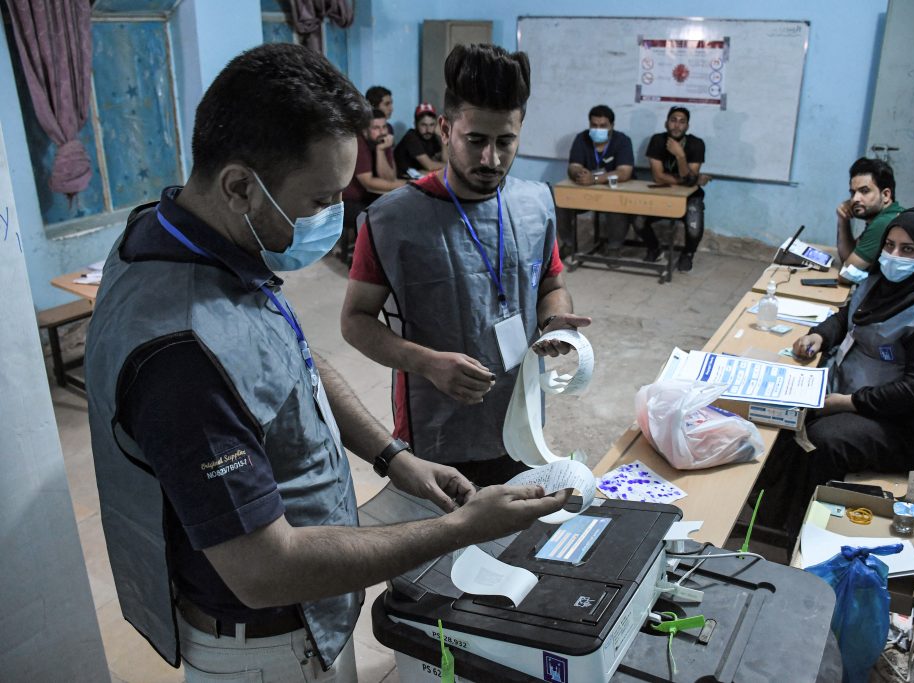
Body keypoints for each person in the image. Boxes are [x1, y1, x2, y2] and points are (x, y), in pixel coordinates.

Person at [84, 44, 565, 683]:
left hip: (311, 615)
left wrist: (394, 457)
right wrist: (461, 529)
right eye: (317, 201)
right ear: (238, 186)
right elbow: (265, 569)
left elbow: (291, 363)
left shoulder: (198, 240)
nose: (331, 224)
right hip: (265, 642)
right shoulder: (182, 352)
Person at [341, 43, 591, 487]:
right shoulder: (391, 220)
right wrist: (427, 362)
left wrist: (553, 319)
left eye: (505, 141)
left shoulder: (535, 204)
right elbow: (355, 321)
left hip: (520, 418)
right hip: (435, 430)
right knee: (446, 547)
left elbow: (552, 283)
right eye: (476, 140)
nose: (491, 159)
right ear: (445, 128)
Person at [757, 208, 914, 538]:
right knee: (783, 413)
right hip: (857, 390)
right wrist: (820, 334)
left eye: (908, 250)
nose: (892, 257)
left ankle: (801, 530)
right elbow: (848, 317)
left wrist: (844, 403)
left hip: (908, 424)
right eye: (889, 245)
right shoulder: (880, 282)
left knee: (823, 439)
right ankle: (771, 513)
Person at [555, 104, 634, 257]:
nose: (598, 129)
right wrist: (579, 173)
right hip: (586, 191)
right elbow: (573, 166)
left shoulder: (622, 140)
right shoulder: (582, 138)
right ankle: (569, 243)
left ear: (612, 125)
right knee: (560, 200)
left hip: (612, 191)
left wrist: (595, 179)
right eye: (594, 125)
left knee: (618, 204)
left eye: (603, 126)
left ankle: (614, 247)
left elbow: (624, 172)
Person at [636, 106, 708, 270]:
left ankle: (688, 254)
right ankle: (654, 248)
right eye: (673, 120)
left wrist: (680, 155)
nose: (677, 125)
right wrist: (692, 179)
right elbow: (658, 177)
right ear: (666, 123)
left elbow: (691, 183)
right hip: (661, 193)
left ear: (687, 126)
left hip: (690, 197)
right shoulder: (657, 140)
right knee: (638, 220)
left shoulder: (696, 144)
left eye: (682, 122)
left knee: (694, 225)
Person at [339, 108, 405, 261]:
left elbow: (389, 177)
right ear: (365, 130)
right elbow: (369, 183)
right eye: (376, 128)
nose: (382, 131)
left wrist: (382, 150)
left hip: (368, 197)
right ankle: (366, 265)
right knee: (377, 220)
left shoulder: (382, 140)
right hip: (346, 202)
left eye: (384, 127)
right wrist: (405, 184)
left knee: (400, 210)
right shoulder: (359, 143)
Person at [835, 157, 903, 284]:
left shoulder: (884, 223)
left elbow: (846, 274)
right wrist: (843, 219)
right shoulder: (885, 216)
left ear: (886, 195)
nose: (855, 199)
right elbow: (849, 257)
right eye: (853, 193)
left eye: (864, 191)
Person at [394, 102, 446, 178]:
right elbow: (430, 166)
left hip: (417, 177)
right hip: (402, 181)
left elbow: (444, 161)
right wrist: (452, 168)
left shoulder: (433, 137)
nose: (428, 130)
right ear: (415, 124)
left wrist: (442, 137)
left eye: (432, 125)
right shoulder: (411, 137)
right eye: (423, 125)